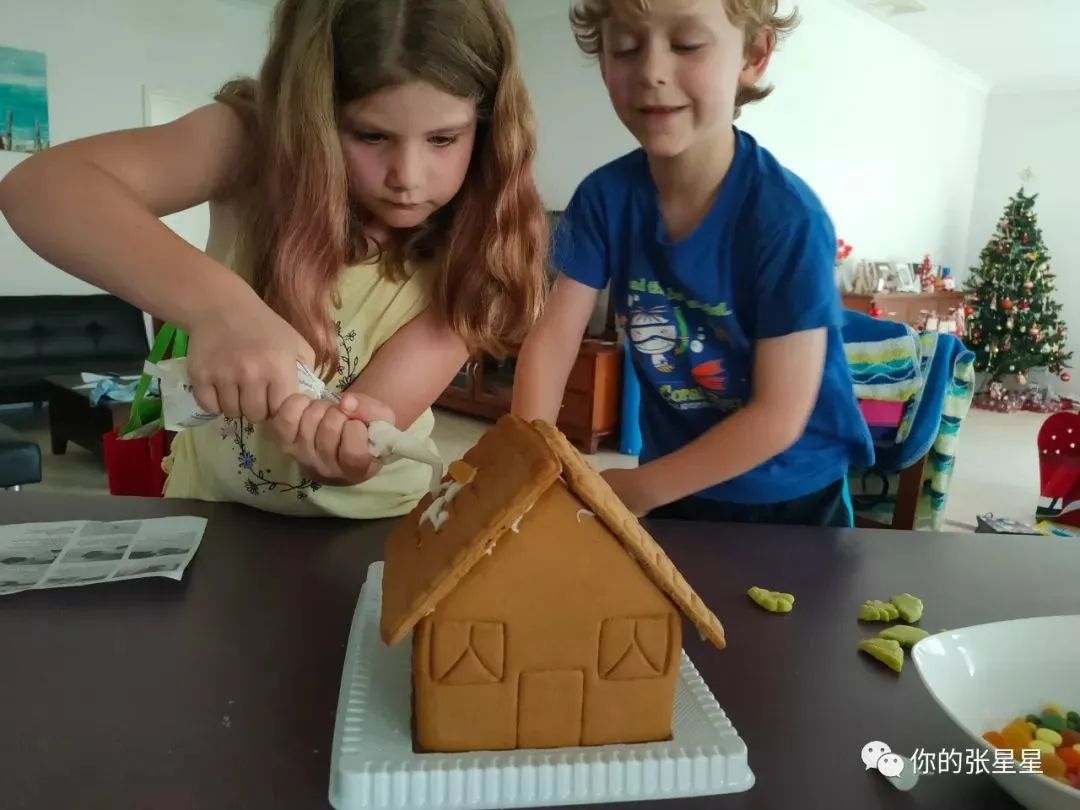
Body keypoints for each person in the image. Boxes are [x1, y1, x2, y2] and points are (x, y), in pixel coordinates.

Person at [0, 0, 548, 518]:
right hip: (208, 516)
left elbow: (369, 424)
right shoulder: (251, 142)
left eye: (443, 139)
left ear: (487, 126)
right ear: (314, 113)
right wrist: (222, 309)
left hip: (373, 534)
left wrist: (348, 451)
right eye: (371, 135)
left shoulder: (479, 251)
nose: (407, 176)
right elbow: (39, 189)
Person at [512, 0, 872, 527]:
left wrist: (635, 488)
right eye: (627, 48)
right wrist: (527, 457)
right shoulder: (603, 197)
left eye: (687, 45)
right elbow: (552, 339)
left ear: (753, 54)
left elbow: (779, 415)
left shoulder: (787, 218)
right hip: (673, 482)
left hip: (793, 494)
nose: (653, 73)